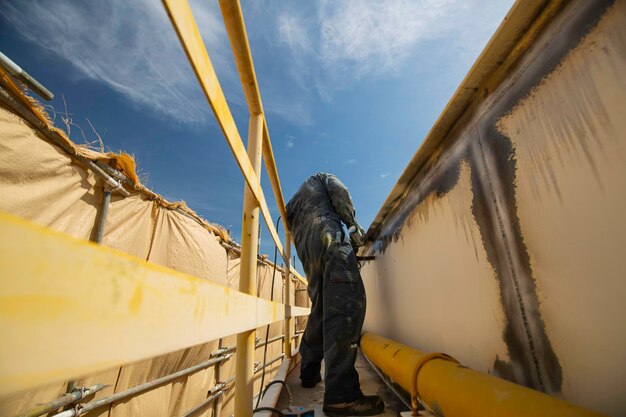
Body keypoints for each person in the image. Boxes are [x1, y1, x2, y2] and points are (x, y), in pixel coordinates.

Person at [286, 173, 384, 416]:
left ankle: (308, 372)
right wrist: (352, 226)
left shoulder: (293, 203)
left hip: (307, 249)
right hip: (328, 232)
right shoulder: (321, 178)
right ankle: (342, 396)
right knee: (346, 304)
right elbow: (339, 191)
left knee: (321, 308)